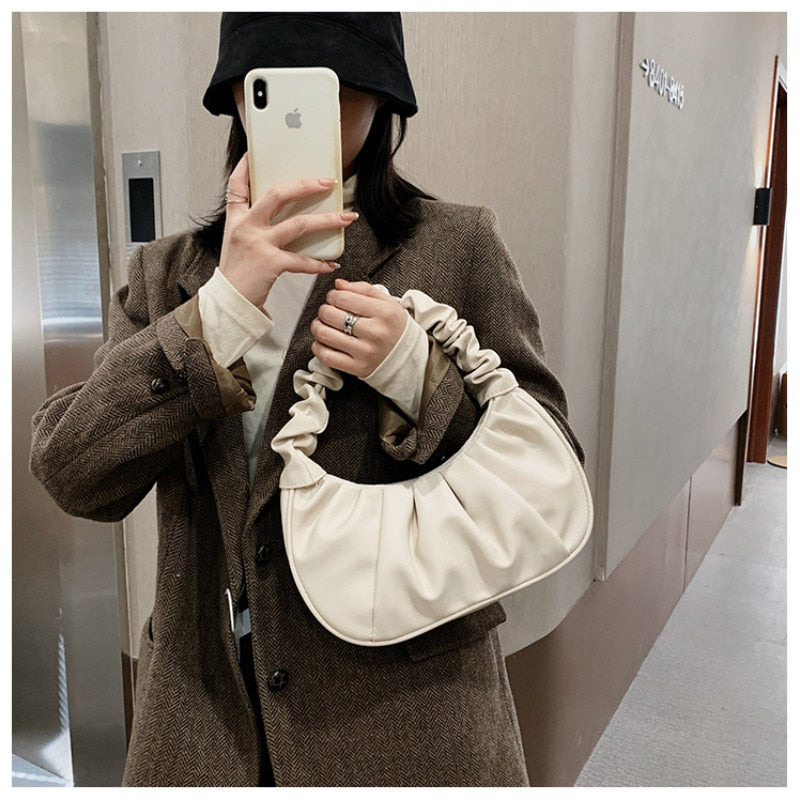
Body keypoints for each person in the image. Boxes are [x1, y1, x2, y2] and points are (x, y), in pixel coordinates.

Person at [30, 12, 582, 787]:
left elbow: (545, 458)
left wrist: (417, 375)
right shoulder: (169, 275)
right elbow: (73, 471)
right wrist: (216, 316)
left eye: (338, 89)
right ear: (239, 98)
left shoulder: (457, 245)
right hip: (205, 726)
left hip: (405, 722)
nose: (309, 116)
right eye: (277, 89)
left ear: (384, 101)